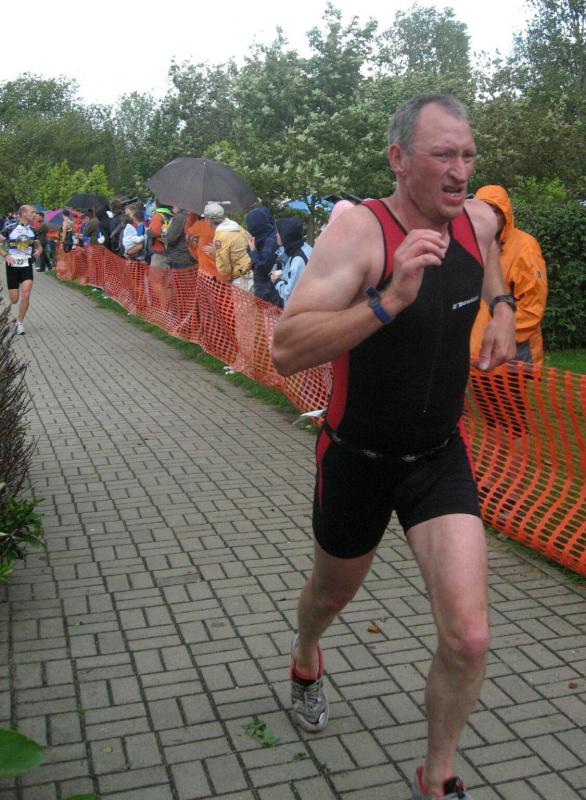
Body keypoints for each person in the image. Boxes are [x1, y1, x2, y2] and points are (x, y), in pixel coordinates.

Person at [271, 94, 516, 800]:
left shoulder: (477, 220)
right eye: (443, 155)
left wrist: (501, 308)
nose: (460, 170)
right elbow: (287, 348)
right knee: (330, 595)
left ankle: (437, 777)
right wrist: (388, 300)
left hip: (439, 458)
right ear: (399, 159)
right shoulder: (361, 232)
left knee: (469, 636)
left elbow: (490, 254)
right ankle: (306, 653)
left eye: (468, 154)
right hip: (358, 459)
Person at [470, 185, 548, 370]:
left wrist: (500, 334)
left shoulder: (525, 246)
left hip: (511, 356)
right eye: (485, 211)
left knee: (506, 391)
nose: (490, 217)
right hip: (477, 350)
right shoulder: (473, 245)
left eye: (496, 211)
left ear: (506, 214)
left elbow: (532, 307)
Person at [0, 204, 42, 335]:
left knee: (26, 294)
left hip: (26, 265)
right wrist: (6, 255)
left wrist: (39, 250)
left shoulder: (32, 230)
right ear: (23, 213)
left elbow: (38, 245)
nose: (34, 214)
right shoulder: (10, 227)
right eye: (32, 212)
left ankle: (19, 323)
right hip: (12, 265)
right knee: (14, 300)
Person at [203, 202, 251, 290]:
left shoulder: (220, 237)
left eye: (205, 219)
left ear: (209, 220)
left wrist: (216, 254)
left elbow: (225, 270)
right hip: (252, 269)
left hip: (242, 277)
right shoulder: (235, 226)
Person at [270, 217, 312, 306]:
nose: (276, 235)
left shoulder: (298, 260)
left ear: (286, 235)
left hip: (299, 307)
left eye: (279, 232)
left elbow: (289, 294)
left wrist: (276, 281)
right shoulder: (304, 247)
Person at [246, 206, 280, 305]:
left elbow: (261, 268)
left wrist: (253, 251)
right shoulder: (263, 237)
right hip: (265, 292)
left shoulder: (271, 240)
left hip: (270, 293)